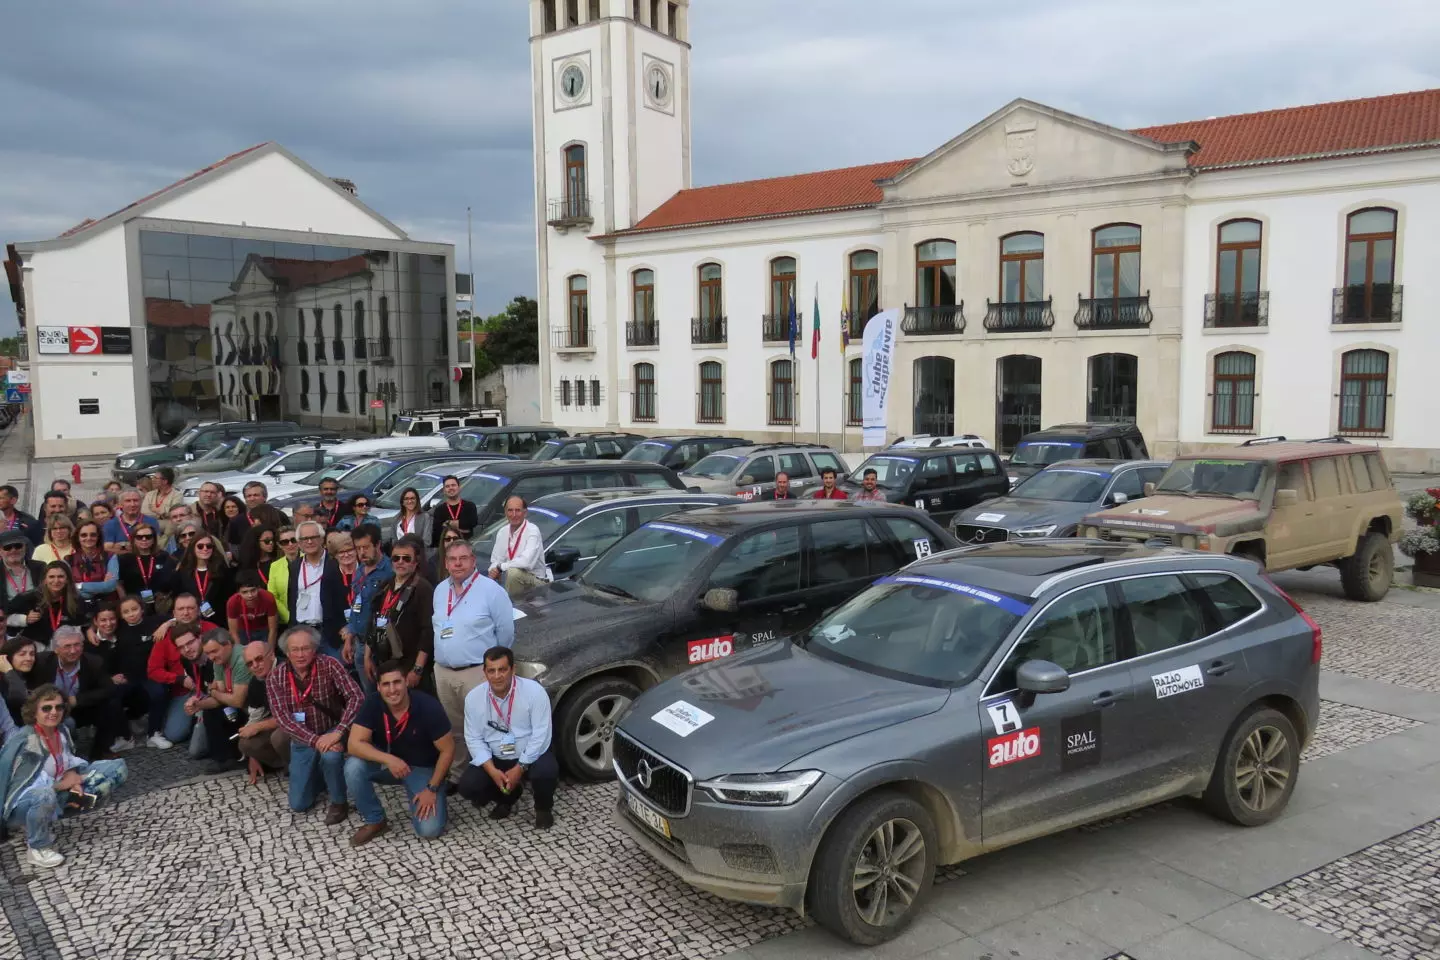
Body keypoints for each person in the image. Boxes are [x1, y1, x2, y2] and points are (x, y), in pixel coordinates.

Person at [0, 685, 128, 867]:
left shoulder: (62, 732)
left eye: (58, 707)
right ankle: (37, 847)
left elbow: (66, 760)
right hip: (20, 804)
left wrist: (73, 776)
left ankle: (66, 805)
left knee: (116, 767)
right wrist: (64, 785)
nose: (54, 712)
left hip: (58, 785)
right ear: (34, 712)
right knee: (45, 795)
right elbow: (22, 786)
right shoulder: (26, 742)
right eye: (46, 708)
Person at [343, 660, 452, 845]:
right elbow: (353, 744)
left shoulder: (428, 706)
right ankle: (375, 820)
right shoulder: (373, 702)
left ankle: (434, 795)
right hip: (388, 764)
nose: (392, 690)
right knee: (353, 767)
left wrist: (431, 788)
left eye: (397, 682)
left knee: (430, 830)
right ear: (378, 687)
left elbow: (448, 750)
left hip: (420, 766)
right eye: (386, 684)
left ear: (406, 682)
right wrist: (389, 759)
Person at [432, 539, 514, 769]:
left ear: (473, 561)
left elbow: (506, 634)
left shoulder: (492, 591)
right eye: (452, 559)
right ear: (446, 563)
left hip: (477, 672)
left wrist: (492, 669)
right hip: (444, 673)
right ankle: (460, 772)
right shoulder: (440, 591)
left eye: (463, 558)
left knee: (488, 726)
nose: (458, 564)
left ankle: (496, 774)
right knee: (455, 728)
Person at [266, 625, 362, 820]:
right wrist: (315, 740)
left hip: (332, 728)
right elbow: (283, 719)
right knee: (299, 804)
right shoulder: (276, 676)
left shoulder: (330, 664)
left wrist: (339, 732)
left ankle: (339, 802)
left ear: (315, 649)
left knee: (331, 757)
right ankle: (321, 777)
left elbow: (356, 697)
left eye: (305, 648)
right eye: (295, 649)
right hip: (303, 738)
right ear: (287, 652)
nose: (300, 654)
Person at [458, 646, 557, 830]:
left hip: (530, 752)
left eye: (502, 669)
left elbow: (541, 735)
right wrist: (491, 770)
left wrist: (520, 767)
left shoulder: (534, 692)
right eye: (491, 671)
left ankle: (543, 808)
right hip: (496, 756)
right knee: (468, 787)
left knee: (546, 771)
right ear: (485, 672)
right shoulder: (473, 698)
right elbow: (473, 739)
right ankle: (507, 797)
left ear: (513, 669)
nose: (497, 676)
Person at [32, 625, 128, 759]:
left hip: (81, 707)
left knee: (113, 705)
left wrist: (78, 699)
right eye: (67, 646)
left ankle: (100, 752)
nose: (73, 651)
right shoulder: (42, 662)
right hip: (53, 710)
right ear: (56, 649)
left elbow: (109, 689)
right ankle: (59, 756)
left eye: (77, 645)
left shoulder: (94, 662)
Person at [361, 535, 433, 692]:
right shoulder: (386, 585)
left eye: (406, 558)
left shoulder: (423, 589)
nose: (400, 562)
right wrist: (367, 656)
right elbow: (373, 620)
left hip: (409, 664)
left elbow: (427, 632)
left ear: (415, 562)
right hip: (384, 661)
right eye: (396, 558)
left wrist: (418, 669)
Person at [145, 596, 216, 751]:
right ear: (174, 613)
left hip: (212, 687)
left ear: (198, 610)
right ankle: (190, 720)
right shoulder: (164, 636)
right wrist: (178, 679)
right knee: (174, 735)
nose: (186, 613)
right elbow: (153, 671)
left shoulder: (210, 628)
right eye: (181, 609)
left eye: (190, 608)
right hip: (184, 691)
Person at [288, 522, 349, 658]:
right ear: (299, 542)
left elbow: (344, 598)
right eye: (304, 539)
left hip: (330, 633)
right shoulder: (295, 566)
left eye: (314, 537)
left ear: (322, 539)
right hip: (303, 632)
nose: (309, 542)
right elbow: (292, 598)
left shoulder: (335, 563)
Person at [193, 629, 251, 774]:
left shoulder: (241, 659)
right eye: (208, 653)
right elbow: (221, 695)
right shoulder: (219, 661)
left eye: (214, 651)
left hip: (253, 709)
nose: (211, 657)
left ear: (228, 645)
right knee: (211, 711)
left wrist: (212, 691)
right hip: (240, 706)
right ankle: (224, 758)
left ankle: (236, 756)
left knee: (223, 710)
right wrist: (197, 705)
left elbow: (236, 700)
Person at [343, 526, 392, 690]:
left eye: (366, 547)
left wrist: (369, 653)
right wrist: (350, 636)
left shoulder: (389, 572)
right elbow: (356, 605)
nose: (362, 552)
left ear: (378, 545)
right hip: (359, 642)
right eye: (358, 548)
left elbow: (384, 614)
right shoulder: (359, 570)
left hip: (378, 647)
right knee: (367, 695)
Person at [236, 641, 288, 783]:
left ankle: (300, 767)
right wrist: (253, 755)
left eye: (258, 659)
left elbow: (293, 715)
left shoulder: (287, 671)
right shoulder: (255, 683)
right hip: (279, 723)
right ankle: (284, 764)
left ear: (271, 655)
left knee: (279, 736)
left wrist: (258, 727)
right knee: (246, 742)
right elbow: (255, 718)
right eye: (249, 663)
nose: (255, 666)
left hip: (303, 722)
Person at [106, 596, 156, 732]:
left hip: (151, 674)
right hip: (128, 676)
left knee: (157, 693)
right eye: (126, 612)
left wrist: (166, 625)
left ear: (142, 609)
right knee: (112, 697)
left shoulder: (153, 622)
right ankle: (123, 734)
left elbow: (173, 619)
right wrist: (91, 630)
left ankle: (154, 732)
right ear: (121, 615)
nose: (131, 614)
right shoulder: (119, 630)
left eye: (134, 609)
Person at [486, 496, 551, 598]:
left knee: (513, 573)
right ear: (505, 512)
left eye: (518, 510)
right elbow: (496, 560)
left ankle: (514, 608)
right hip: (509, 580)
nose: (514, 515)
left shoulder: (533, 530)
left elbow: (526, 563)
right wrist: (493, 570)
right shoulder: (502, 531)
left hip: (536, 582)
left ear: (525, 512)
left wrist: (500, 567)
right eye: (510, 510)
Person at [19, 563, 88, 650]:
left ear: (67, 579)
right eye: (51, 577)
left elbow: (82, 624)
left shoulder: (76, 600)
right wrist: (23, 619)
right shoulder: (30, 598)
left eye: (60, 577)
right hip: (35, 649)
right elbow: (6, 615)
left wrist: (90, 630)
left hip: (65, 648)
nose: (56, 581)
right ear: (44, 580)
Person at [116, 522, 176, 615]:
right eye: (139, 537)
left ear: (153, 539)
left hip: (159, 605)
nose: (144, 539)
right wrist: (125, 602)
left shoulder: (163, 556)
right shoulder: (125, 559)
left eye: (148, 537)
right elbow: (119, 584)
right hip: (134, 605)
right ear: (134, 539)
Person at [175, 532, 233, 623]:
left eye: (209, 546)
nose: (205, 549)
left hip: (219, 621)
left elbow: (229, 598)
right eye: (200, 546)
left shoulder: (223, 571)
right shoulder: (183, 572)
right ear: (193, 548)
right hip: (191, 620)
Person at [69, 521, 120, 603]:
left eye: (93, 535)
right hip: (78, 606)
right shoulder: (68, 560)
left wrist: (79, 585)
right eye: (83, 535)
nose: (88, 538)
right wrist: (102, 586)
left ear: (98, 537)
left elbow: (111, 586)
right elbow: (67, 588)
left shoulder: (110, 556)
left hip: (106, 605)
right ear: (77, 538)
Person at [227, 570, 278, 650]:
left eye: (253, 590)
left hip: (264, 630)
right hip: (242, 631)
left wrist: (270, 651)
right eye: (245, 592)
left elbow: (273, 629)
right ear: (238, 592)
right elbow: (233, 632)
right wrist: (239, 652)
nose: (250, 595)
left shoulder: (268, 598)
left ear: (258, 588)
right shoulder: (232, 602)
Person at [228, 482, 288, 548]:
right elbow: (235, 547)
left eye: (256, 495)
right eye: (249, 496)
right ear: (245, 499)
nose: (252, 499)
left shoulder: (280, 515)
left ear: (265, 497)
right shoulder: (236, 522)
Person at [103, 489, 160, 555]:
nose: (132, 504)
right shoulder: (110, 524)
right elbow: (107, 548)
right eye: (128, 501)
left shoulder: (151, 521)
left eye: (136, 500)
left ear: (141, 502)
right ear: (120, 504)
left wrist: (122, 546)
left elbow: (156, 546)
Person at [0, 529, 45, 612]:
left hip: (39, 617)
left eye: (18, 546)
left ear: (25, 547)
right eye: (7, 547)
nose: (13, 550)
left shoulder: (40, 567)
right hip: (8, 621)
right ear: (0, 551)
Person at [1, 637, 41, 725]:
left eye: (32, 654)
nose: (29, 658)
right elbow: (21, 698)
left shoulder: (37, 674)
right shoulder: (3, 681)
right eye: (22, 654)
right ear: (8, 658)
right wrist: (9, 671)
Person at [430, 476, 478, 547]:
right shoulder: (439, 510)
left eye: (453, 485)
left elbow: (472, 522)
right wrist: (462, 528)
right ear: (444, 490)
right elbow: (437, 533)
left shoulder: (470, 506)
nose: (451, 488)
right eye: (447, 486)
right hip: (446, 550)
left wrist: (448, 523)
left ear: (459, 487)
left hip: (466, 548)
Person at [143, 468, 184, 541]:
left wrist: (155, 510)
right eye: (153, 477)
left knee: (171, 525)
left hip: (168, 525)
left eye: (156, 478)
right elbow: (144, 512)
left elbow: (174, 513)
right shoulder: (149, 494)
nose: (153, 480)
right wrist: (162, 513)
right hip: (150, 522)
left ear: (165, 481)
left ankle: (161, 547)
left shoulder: (177, 495)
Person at [268, 526, 298, 626]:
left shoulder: (309, 561)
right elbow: (272, 595)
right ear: (279, 545)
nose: (290, 544)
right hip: (286, 620)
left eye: (293, 540)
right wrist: (288, 617)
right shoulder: (275, 566)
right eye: (285, 542)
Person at [236, 525, 278, 590]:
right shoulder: (248, 563)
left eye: (273, 540)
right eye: (267, 541)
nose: (271, 543)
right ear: (256, 542)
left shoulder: (277, 559)